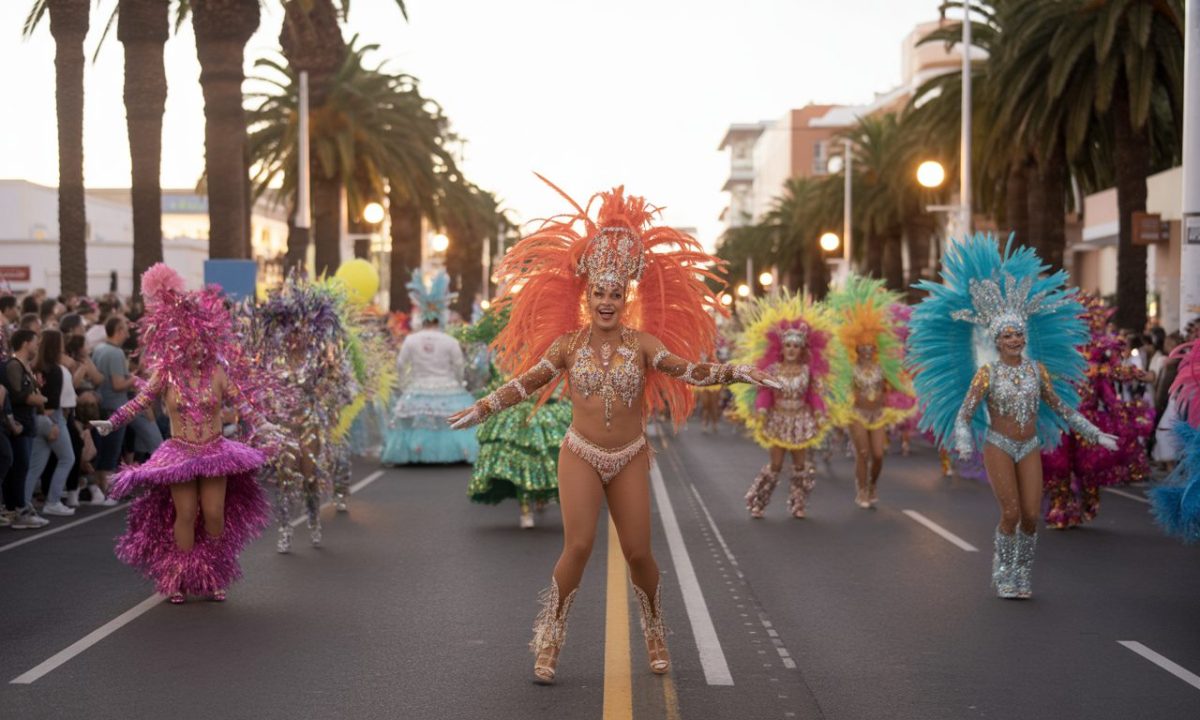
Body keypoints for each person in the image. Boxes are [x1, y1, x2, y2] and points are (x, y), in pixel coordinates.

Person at [448, 183, 778, 683]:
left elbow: (690, 371)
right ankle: (550, 642)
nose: (606, 301)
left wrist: (734, 372)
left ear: (626, 297)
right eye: (599, 292)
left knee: (639, 553)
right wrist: (483, 407)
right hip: (579, 453)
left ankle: (654, 630)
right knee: (577, 547)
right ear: (588, 296)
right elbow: (526, 381)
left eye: (615, 293)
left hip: (628, 455)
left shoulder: (644, 345)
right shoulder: (567, 345)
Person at [909, 235, 1117, 599]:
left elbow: (1061, 407)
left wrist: (1094, 432)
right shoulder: (987, 374)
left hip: (1030, 445)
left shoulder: (1038, 371)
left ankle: (1022, 573)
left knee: (1032, 516)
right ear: (996, 339)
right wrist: (962, 440)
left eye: (1018, 333)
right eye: (1007, 335)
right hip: (999, 445)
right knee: (1010, 513)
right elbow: (965, 414)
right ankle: (1003, 571)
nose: (1014, 339)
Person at [91, 264, 276, 602]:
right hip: (180, 453)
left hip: (215, 452)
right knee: (186, 514)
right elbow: (141, 401)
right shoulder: (166, 373)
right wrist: (112, 422)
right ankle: (179, 577)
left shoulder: (218, 371)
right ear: (176, 340)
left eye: (200, 341)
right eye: (187, 340)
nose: (195, 348)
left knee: (215, 514)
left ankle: (212, 573)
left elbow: (243, 403)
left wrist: (264, 424)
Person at [732, 290, 845, 519]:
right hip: (778, 419)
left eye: (796, 346)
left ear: (802, 349)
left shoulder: (807, 371)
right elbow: (765, 393)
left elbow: (815, 395)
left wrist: (820, 412)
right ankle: (759, 502)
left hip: (801, 420)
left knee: (800, 466)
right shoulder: (772, 371)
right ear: (781, 349)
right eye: (788, 345)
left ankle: (798, 504)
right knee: (775, 465)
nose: (792, 349)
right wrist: (762, 411)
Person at [462, 308, 572, 529]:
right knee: (520, 464)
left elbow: (551, 380)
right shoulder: (504, 355)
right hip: (514, 415)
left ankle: (538, 498)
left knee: (545, 460)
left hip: (541, 412)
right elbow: (498, 383)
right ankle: (525, 509)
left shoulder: (544, 349)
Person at [827, 276, 916, 509]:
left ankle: (873, 484)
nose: (867, 352)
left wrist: (899, 395)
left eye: (871, 348)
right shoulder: (850, 369)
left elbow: (897, 384)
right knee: (863, 454)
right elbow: (839, 386)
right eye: (863, 348)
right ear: (856, 349)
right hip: (856, 414)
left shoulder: (883, 368)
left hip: (878, 415)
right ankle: (862, 490)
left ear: (876, 349)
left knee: (878, 455)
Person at [381, 270, 479, 465]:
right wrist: (459, 384)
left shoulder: (411, 340)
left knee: (415, 425)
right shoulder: (450, 341)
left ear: (422, 317)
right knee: (450, 424)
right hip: (448, 387)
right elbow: (459, 367)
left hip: (418, 387)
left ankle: (417, 453)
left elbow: (400, 364)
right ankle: (455, 453)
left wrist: (405, 385)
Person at [27, 329, 77, 516]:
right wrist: (53, 424)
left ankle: (23, 505)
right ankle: (53, 501)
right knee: (67, 458)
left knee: (35, 466)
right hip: (52, 418)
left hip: (36, 417)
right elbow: (52, 402)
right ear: (57, 346)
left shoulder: (34, 366)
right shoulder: (55, 370)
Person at [3, 329, 49, 528]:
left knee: (21, 467)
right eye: (34, 342)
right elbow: (16, 394)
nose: (37, 346)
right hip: (19, 424)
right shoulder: (14, 365)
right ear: (24, 343)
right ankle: (19, 510)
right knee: (19, 468)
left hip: (28, 423)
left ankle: (15, 508)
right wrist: (38, 398)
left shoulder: (26, 366)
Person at [90, 317, 134, 506]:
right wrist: (134, 378)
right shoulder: (116, 353)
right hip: (115, 407)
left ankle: (101, 490)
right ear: (117, 330)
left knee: (103, 452)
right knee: (111, 452)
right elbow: (118, 384)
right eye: (125, 329)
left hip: (100, 405)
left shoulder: (99, 349)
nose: (128, 334)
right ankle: (109, 493)